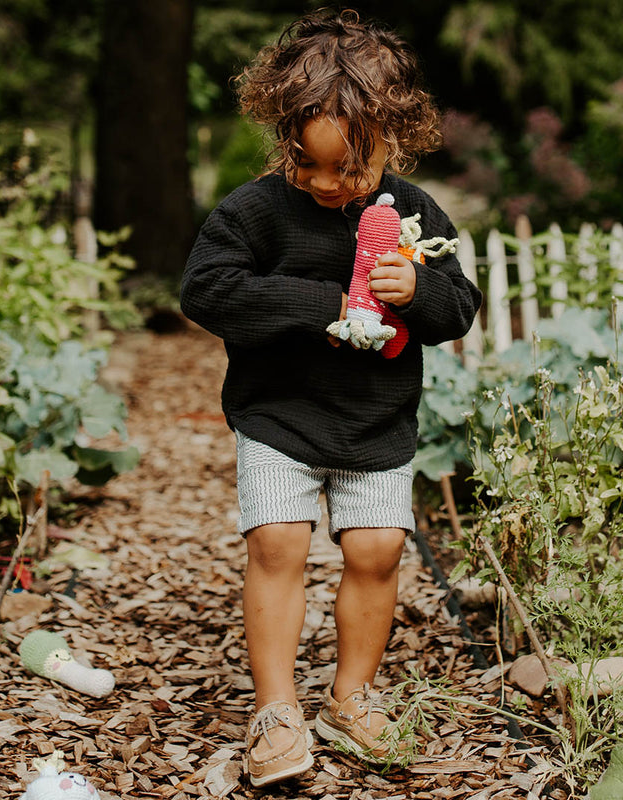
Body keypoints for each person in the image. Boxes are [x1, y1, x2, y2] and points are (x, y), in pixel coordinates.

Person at [180, 8, 482, 788]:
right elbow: (207, 291)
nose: (322, 183)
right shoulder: (253, 212)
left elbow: (457, 308)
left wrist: (415, 289)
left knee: (377, 553)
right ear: (283, 137)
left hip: (377, 421)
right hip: (277, 414)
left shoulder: (414, 215)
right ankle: (277, 711)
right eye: (303, 162)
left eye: (347, 168)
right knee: (277, 541)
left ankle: (352, 696)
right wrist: (320, 305)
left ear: (394, 137)